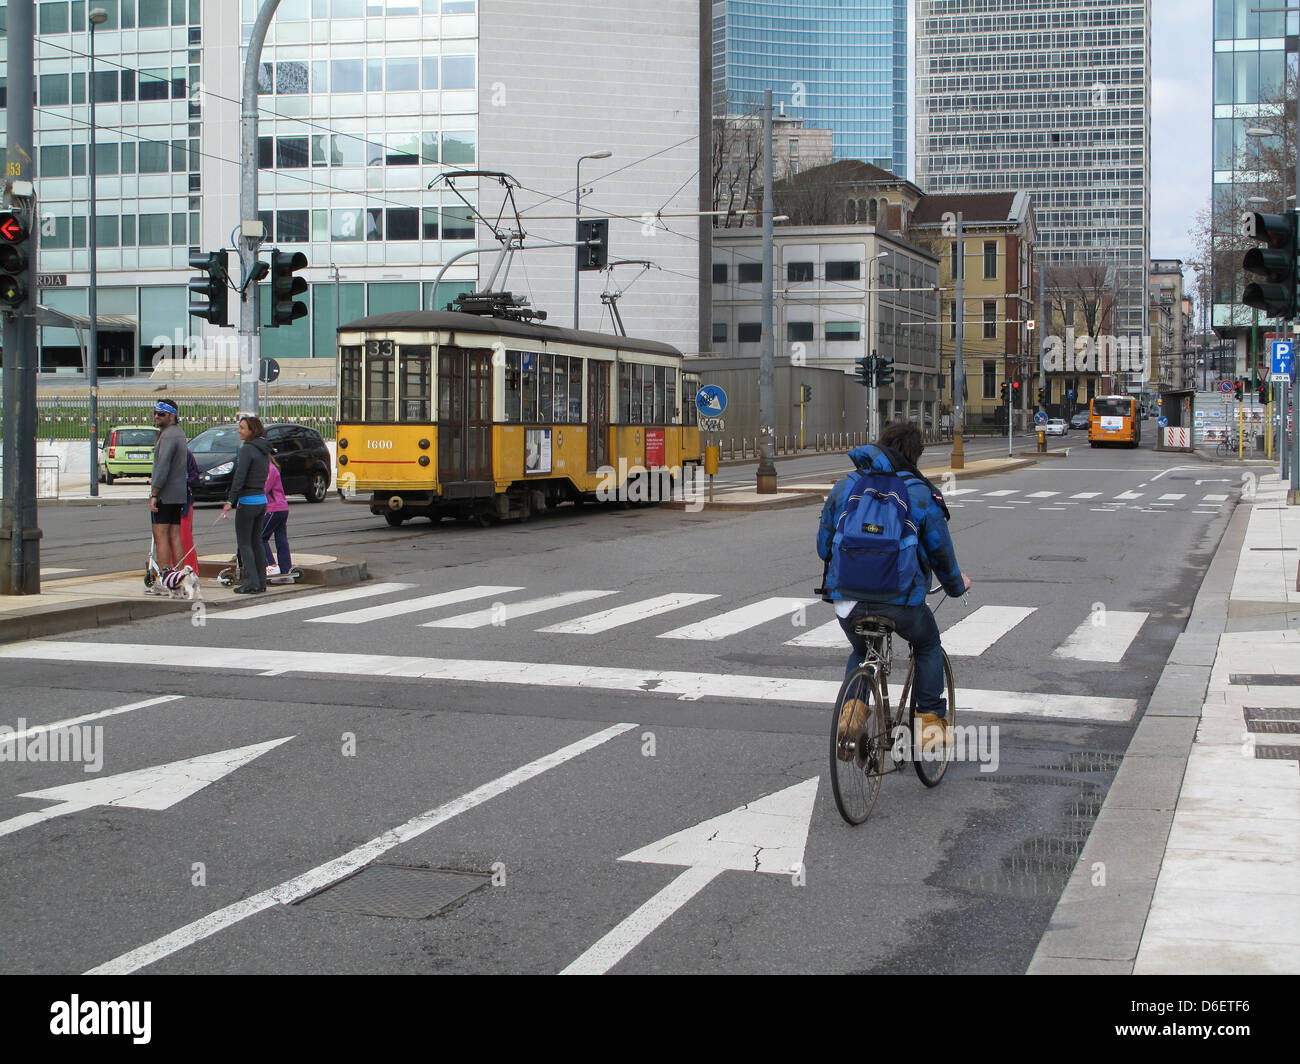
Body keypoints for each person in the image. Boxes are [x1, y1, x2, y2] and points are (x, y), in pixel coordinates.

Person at [816, 420, 972, 748]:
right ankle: (930, 726)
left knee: (861, 650)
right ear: (915, 455)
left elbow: (823, 547)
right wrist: (957, 585)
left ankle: (850, 719)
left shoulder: (846, 486)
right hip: (901, 600)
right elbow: (940, 552)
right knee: (928, 644)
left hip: (848, 601)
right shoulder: (920, 493)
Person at [221, 415, 271, 594]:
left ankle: (251, 582)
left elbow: (239, 477)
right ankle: (261, 581)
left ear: (252, 431)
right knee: (256, 542)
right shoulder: (264, 449)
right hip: (261, 500)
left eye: (242, 428)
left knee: (244, 543)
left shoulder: (248, 449)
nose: (239, 431)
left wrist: (230, 500)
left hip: (247, 501)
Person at [148, 400, 188, 586]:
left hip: (165, 492)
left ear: (171, 416)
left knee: (161, 534)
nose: (156, 416)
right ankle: (180, 573)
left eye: (160, 414)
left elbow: (163, 466)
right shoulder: (179, 434)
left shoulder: (168, 436)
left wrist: (154, 492)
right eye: (155, 413)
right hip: (178, 493)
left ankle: (165, 575)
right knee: (175, 534)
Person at [261, 456, 292, 579]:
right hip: (281, 507)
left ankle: (271, 565)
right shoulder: (271, 468)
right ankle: (286, 568)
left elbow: (264, 489)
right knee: (281, 538)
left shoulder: (269, 469)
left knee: (260, 536)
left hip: (274, 508)